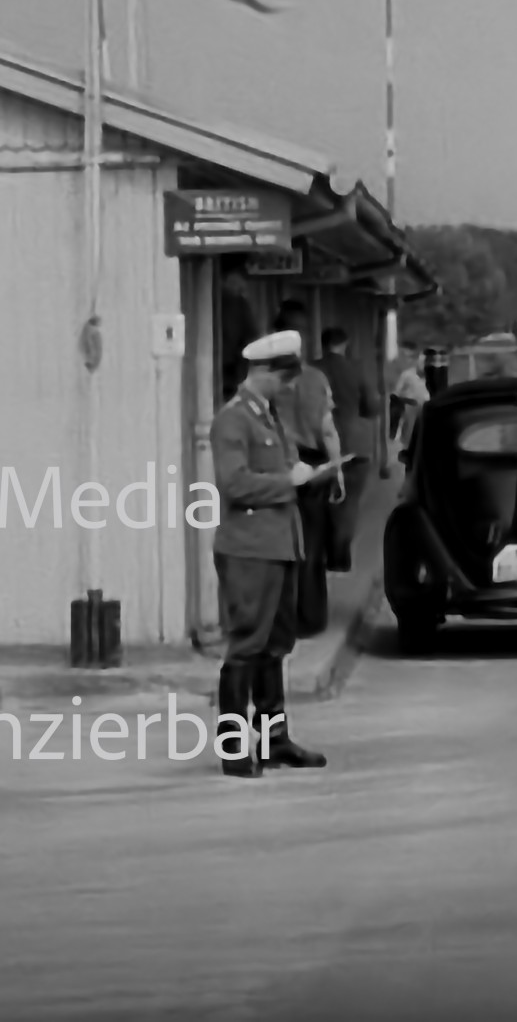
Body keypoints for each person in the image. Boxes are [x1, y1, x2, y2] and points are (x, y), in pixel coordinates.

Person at [208, 330, 330, 777]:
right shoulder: (233, 419)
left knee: (275, 647)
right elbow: (234, 483)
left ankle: (275, 738)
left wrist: (309, 475)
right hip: (249, 549)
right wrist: (289, 482)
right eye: (282, 378)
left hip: (279, 545)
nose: (286, 387)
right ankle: (234, 747)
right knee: (246, 647)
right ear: (261, 372)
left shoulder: (269, 417)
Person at [272, 301, 346, 634]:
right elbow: (327, 428)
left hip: (275, 464)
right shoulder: (316, 378)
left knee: (278, 544)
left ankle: (281, 617)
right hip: (313, 465)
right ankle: (311, 617)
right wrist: (337, 470)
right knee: (312, 544)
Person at [320, 325, 386, 569]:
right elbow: (372, 406)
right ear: (344, 344)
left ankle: (327, 551)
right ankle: (341, 554)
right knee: (350, 502)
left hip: (322, 442)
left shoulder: (313, 370)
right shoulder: (356, 369)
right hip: (356, 442)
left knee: (324, 500)